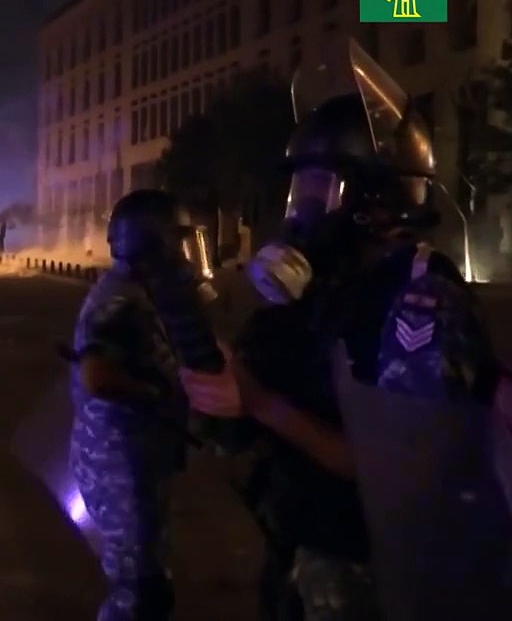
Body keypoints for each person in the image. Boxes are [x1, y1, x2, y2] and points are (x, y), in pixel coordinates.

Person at [180, 39, 507, 620]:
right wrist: (219, 382)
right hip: (305, 559)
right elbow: (256, 402)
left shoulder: (419, 299)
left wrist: (258, 402)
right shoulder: (328, 287)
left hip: (374, 576)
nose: (302, 210)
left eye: (317, 190)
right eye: (298, 191)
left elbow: (394, 469)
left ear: (372, 200)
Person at [68, 188, 218, 621]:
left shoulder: (138, 290)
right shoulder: (121, 299)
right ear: (152, 243)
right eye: (179, 241)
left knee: (148, 576)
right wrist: (156, 394)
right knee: (138, 592)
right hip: (121, 463)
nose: (186, 254)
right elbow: (97, 376)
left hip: (136, 457)